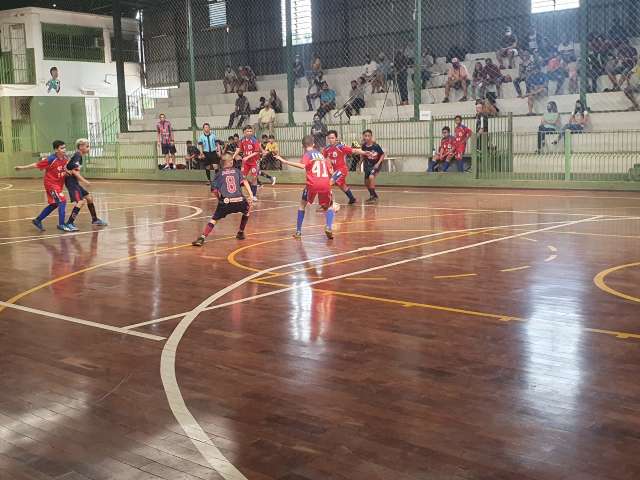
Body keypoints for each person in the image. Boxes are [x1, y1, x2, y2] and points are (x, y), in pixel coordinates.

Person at [275, 135, 338, 240]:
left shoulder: (307, 154)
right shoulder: (321, 155)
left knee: (302, 205)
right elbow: (330, 171)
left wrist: (285, 161)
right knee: (330, 206)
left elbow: (302, 166)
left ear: (303, 146)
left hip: (312, 184)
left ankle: (298, 232)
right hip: (325, 183)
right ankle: (328, 226)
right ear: (313, 144)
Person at [192, 153, 254, 246]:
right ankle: (241, 232)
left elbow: (214, 191)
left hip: (226, 202)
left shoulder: (218, 174)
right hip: (240, 200)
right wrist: (251, 194)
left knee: (214, 219)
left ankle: (202, 238)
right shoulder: (237, 171)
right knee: (247, 211)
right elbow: (244, 181)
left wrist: (219, 199)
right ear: (231, 162)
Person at [14, 140, 72, 232]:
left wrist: (68, 173)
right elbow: (36, 165)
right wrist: (22, 168)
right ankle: (61, 224)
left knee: (54, 204)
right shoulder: (51, 159)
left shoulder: (65, 158)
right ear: (56, 150)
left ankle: (38, 220)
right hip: (51, 184)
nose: (64, 150)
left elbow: (65, 168)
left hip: (58, 185)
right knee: (62, 201)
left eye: (64, 147)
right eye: (61, 148)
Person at [63, 139, 107, 230]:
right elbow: (74, 172)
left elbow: (69, 167)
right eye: (87, 146)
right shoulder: (77, 155)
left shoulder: (78, 156)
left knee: (89, 198)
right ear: (81, 146)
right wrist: (85, 181)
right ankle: (69, 223)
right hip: (71, 182)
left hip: (74, 182)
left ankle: (95, 219)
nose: (89, 148)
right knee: (80, 201)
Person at [323, 130, 372, 205]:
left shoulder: (341, 147)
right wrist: (328, 165)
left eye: (332, 138)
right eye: (329, 138)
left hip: (342, 170)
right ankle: (352, 199)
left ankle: (327, 203)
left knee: (328, 183)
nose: (331, 140)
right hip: (335, 170)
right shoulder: (326, 149)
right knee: (342, 186)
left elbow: (354, 150)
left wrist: (364, 152)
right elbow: (324, 158)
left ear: (336, 138)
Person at [233, 125, 263, 200]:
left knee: (254, 178)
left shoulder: (254, 140)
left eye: (251, 131)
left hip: (254, 162)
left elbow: (256, 152)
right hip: (246, 162)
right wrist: (233, 157)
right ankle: (244, 193)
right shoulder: (242, 140)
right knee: (243, 178)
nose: (249, 133)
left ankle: (254, 195)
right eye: (248, 131)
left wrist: (247, 157)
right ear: (244, 132)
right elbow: (239, 149)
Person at [360, 129, 385, 203]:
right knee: (366, 182)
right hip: (367, 166)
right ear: (363, 137)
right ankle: (374, 195)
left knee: (371, 177)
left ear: (371, 137)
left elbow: (382, 155)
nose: (367, 137)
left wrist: (378, 164)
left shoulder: (376, 146)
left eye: (368, 136)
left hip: (375, 165)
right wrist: (359, 164)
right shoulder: (364, 146)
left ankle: (372, 197)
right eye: (365, 136)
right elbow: (362, 155)